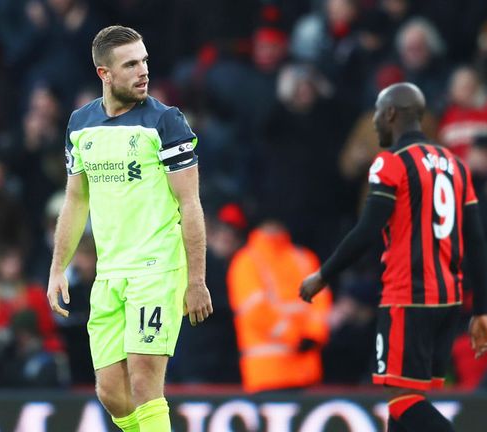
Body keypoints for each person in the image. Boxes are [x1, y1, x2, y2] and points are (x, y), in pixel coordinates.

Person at [299, 82, 487, 432]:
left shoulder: (391, 163)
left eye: (376, 113)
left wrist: (323, 275)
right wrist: (479, 309)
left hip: (408, 297)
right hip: (447, 300)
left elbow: (367, 230)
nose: (374, 123)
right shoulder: (455, 164)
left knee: (402, 400)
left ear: (390, 114)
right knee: (403, 405)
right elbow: (476, 241)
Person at [46, 25, 212, 432]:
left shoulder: (165, 122)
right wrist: (57, 268)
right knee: (110, 393)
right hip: (110, 273)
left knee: (143, 382)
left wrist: (196, 280)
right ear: (104, 73)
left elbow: (190, 204)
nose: (143, 72)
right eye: (131, 64)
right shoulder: (80, 124)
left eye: (145, 62)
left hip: (156, 270)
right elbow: (75, 200)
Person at [228, 220, 332, 393]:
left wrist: (314, 334)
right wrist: (297, 337)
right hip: (267, 373)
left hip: (306, 371)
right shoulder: (246, 261)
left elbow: (321, 303)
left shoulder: (304, 258)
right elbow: (255, 311)